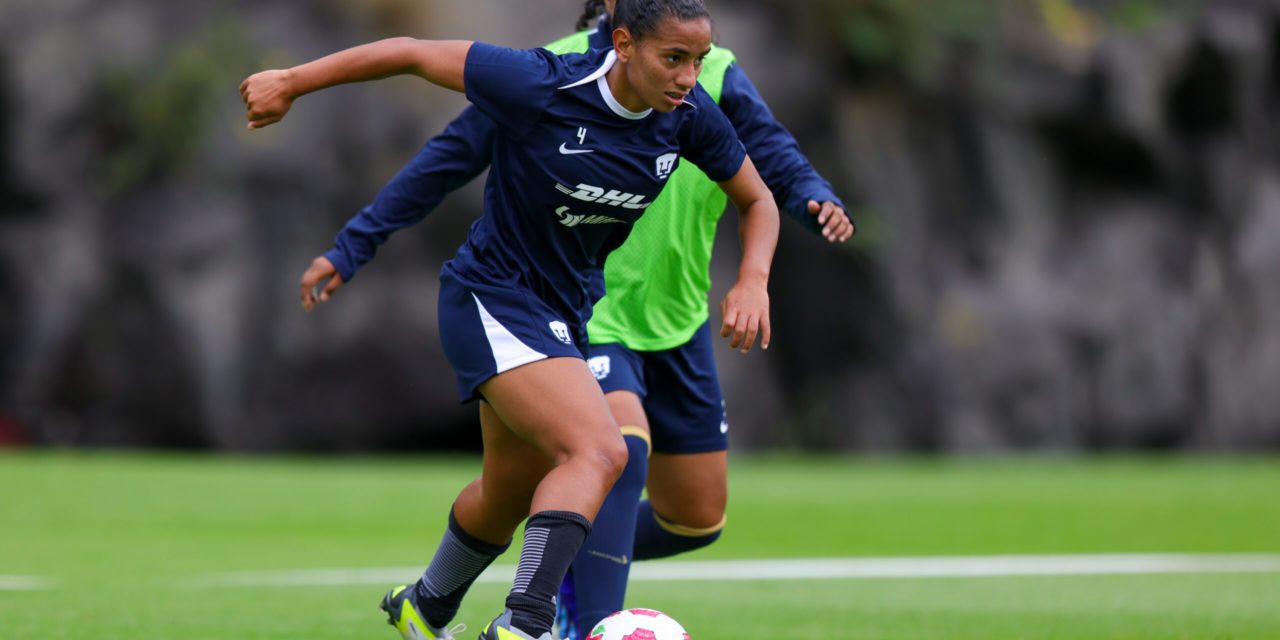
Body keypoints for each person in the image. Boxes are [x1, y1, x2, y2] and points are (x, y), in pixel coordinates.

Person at [303, 1, 855, 638]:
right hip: (521, 302)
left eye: (695, 59)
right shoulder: (546, 78)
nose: (687, 73)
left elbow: (764, 179)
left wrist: (774, 251)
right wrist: (353, 239)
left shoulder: (701, 97)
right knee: (605, 449)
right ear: (621, 34)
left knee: (528, 493)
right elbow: (443, 137)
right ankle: (535, 623)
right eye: (674, 58)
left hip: (634, 313)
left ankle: (426, 606)